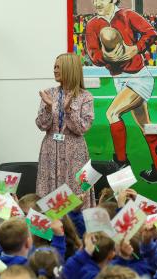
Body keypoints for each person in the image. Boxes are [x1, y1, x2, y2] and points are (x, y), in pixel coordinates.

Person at [84, 0, 157, 183]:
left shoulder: (127, 15)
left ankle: (121, 161)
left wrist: (135, 49)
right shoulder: (93, 25)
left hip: (138, 77)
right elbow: (94, 54)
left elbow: (150, 33)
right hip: (118, 79)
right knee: (146, 125)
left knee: (112, 113)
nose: (96, 3)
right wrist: (107, 56)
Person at [36, 53, 95, 208]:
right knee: (49, 196)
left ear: (70, 69)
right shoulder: (49, 93)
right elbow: (41, 125)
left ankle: (78, 228)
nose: (54, 70)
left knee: (76, 194)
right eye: (54, 67)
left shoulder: (86, 97)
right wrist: (49, 108)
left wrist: (69, 110)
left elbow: (82, 128)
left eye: (58, 67)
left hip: (75, 152)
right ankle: (51, 229)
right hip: (50, 150)